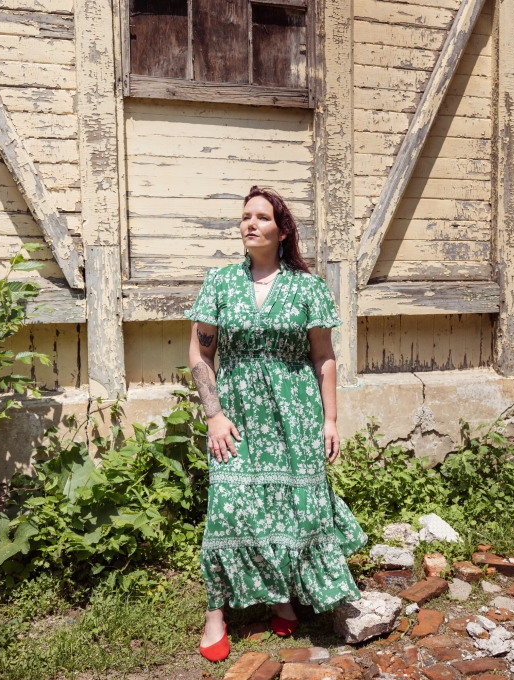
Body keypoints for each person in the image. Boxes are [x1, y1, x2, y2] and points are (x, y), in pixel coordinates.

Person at [186, 186, 367, 662]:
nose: (250, 224)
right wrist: (214, 414)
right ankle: (215, 612)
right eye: (245, 216)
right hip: (238, 415)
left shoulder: (307, 288)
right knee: (228, 505)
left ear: (282, 230)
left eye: (262, 217)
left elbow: (324, 357)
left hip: (295, 411)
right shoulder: (220, 282)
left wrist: (330, 420)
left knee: (291, 503)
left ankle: (283, 596)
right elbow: (200, 353)